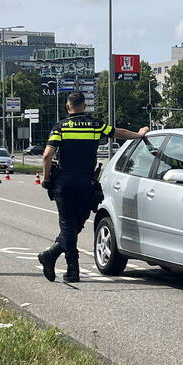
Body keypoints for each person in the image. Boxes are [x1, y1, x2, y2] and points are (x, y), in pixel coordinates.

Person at [38, 92, 148, 283]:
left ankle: (55, 258)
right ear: (84, 106)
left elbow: (47, 155)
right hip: (85, 183)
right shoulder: (95, 125)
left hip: (64, 183)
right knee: (77, 225)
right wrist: (139, 135)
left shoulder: (60, 127)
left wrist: (46, 178)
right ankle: (69, 269)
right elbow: (119, 132)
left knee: (67, 227)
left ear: (67, 106)